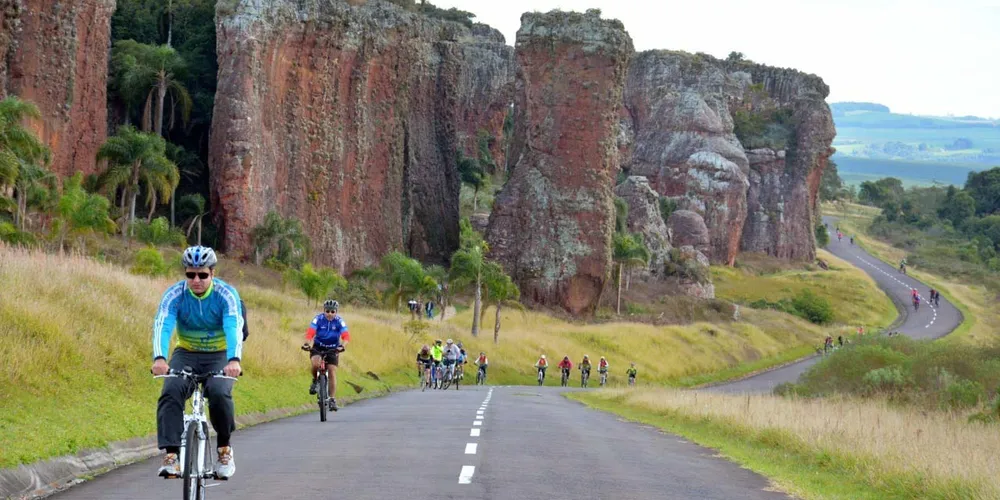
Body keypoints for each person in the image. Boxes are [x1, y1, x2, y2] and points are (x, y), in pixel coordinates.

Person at [152, 246, 243, 479]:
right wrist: (160, 357)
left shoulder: (226, 294)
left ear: (212, 273)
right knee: (171, 390)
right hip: (187, 352)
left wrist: (234, 360)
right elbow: (163, 325)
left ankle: (224, 448)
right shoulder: (175, 295)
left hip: (219, 354)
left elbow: (233, 327)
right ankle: (171, 455)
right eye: (190, 274)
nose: (196, 280)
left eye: (202, 275)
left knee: (219, 393)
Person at [303, 299, 350, 411]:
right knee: (315, 364)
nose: (330, 314)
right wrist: (307, 344)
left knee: (332, 371)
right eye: (327, 311)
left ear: (336, 312)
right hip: (318, 346)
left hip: (333, 348)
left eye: (332, 311)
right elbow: (310, 333)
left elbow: (346, 336)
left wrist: (342, 346)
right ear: (324, 310)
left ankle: (332, 399)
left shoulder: (339, 321)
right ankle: (315, 381)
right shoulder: (318, 319)